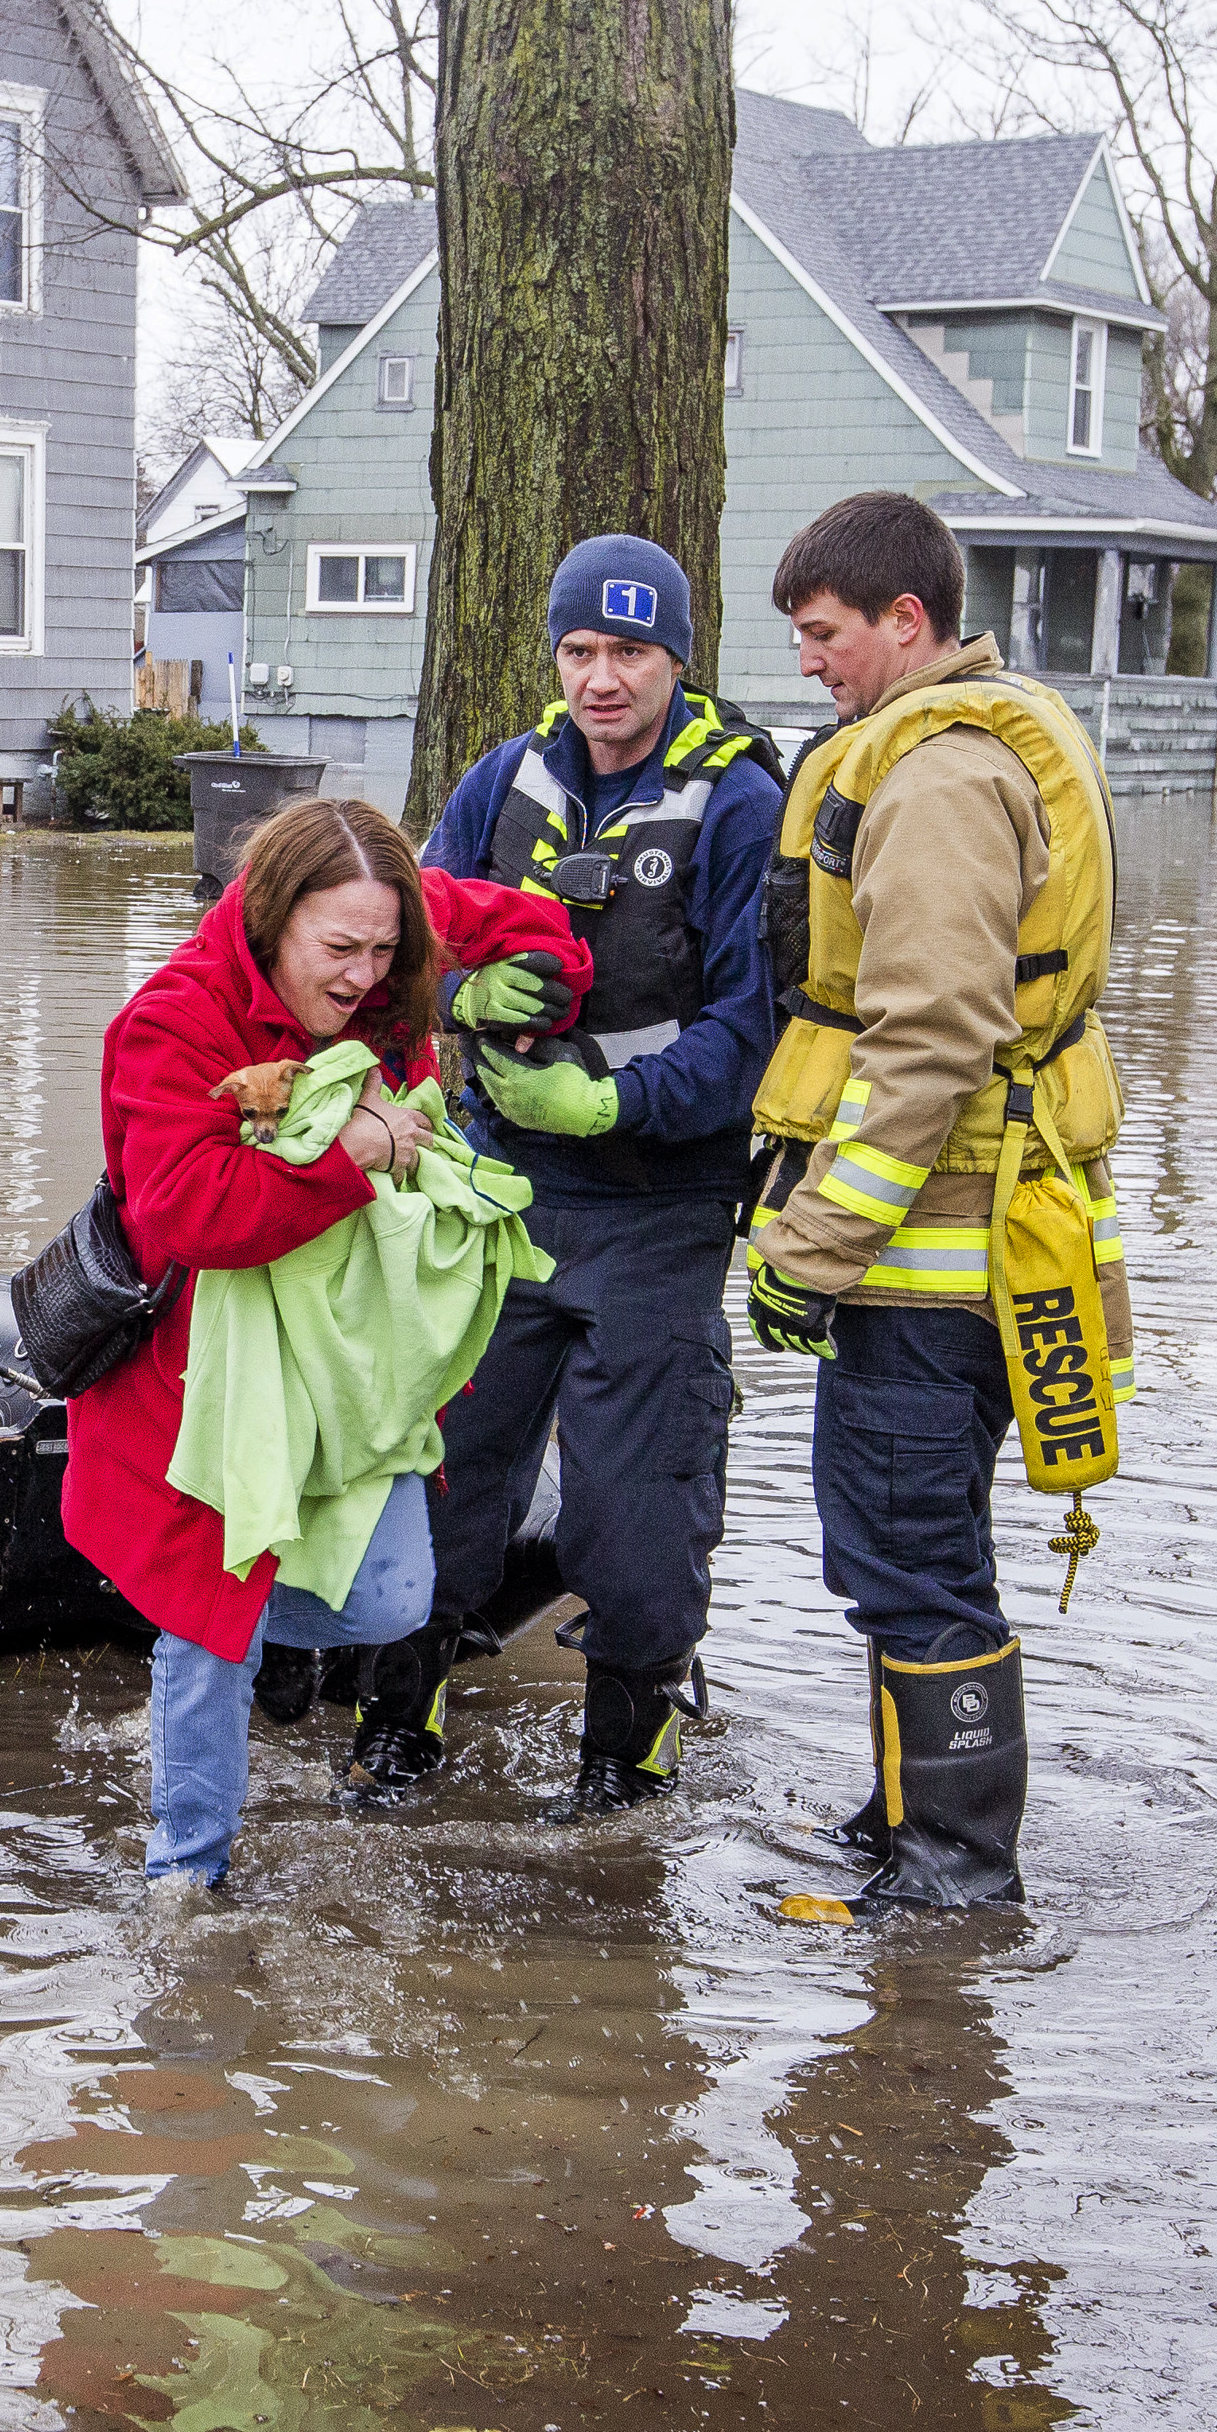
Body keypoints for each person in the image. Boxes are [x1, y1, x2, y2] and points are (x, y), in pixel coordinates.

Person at [63, 799, 590, 1889]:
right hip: (200, 1376)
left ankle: (232, 1631)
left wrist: (531, 987)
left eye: (385, 952)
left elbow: (532, 927)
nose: (364, 977)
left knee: (390, 1598)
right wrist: (356, 1152)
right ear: (270, 918)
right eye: (339, 950)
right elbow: (189, 1213)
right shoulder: (172, 1019)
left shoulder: (387, 926)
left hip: (343, 1361)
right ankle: (184, 1878)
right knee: (208, 1631)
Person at [349, 532, 789, 1817]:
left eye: (632, 652)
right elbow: (404, 944)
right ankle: (399, 1716)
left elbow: (752, 1028)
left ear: (677, 661)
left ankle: (624, 1757)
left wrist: (609, 1101)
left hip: (659, 1208)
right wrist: (456, 996)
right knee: (440, 1462)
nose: (602, 678)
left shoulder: (735, 803)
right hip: (499, 1195)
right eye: (580, 649)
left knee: (636, 1508)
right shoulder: (503, 780)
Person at [745, 490, 1124, 1913]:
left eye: (824, 633)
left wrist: (811, 1248)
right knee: (908, 1549)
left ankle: (952, 1883)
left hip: (926, 1263)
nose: (807, 662)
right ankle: (904, 1815)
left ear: (906, 620)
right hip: (971, 1246)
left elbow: (930, 1040)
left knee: (909, 1560)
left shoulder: (940, 778)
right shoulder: (979, 741)